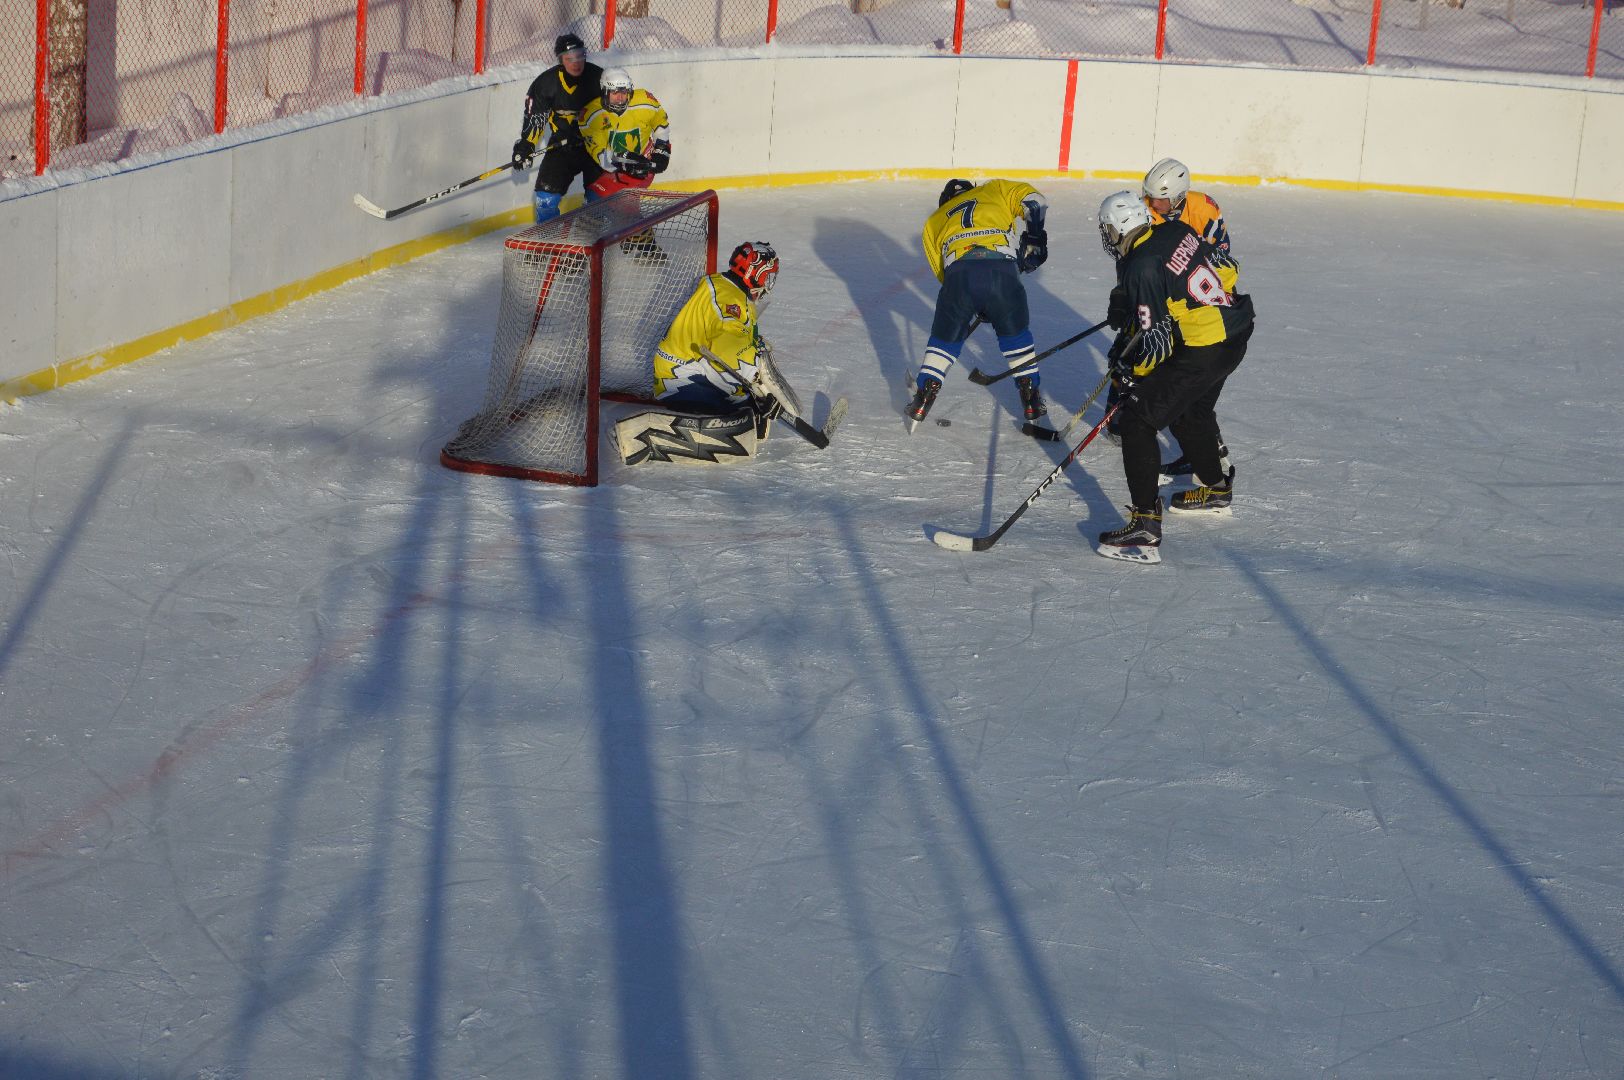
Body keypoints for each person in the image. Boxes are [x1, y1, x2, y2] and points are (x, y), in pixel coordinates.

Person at [1093, 189, 1255, 564]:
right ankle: (1215, 490)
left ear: (1118, 229)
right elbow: (1228, 268)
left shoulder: (1140, 266)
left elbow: (1155, 344)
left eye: (1107, 229)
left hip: (1206, 349)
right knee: (1189, 413)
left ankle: (1144, 527)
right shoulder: (1175, 229)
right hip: (1237, 329)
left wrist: (1131, 373)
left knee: (1137, 422)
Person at [613, 242, 795, 466]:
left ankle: (742, 414)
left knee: (752, 413)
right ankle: (648, 434)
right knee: (742, 415)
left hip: (693, 367)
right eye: (767, 277)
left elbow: (733, 344)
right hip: (681, 377)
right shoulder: (729, 300)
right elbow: (730, 352)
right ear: (753, 273)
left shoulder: (728, 289)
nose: (768, 285)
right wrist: (759, 387)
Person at [906, 178, 1049, 430]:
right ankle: (1031, 399)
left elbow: (943, 275)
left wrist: (973, 299)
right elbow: (1036, 203)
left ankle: (923, 398)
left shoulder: (934, 221)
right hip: (1003, 271)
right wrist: (1035, 239)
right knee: (1016, 338)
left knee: (944, 342)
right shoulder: (994, 189)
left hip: (960, 275)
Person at [1133, 157, 1234, 480]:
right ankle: (1199, 446)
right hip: (1169, 294)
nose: (1151, 203)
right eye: (1148, 196)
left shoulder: (1205, 209)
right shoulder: (1146, 211)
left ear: (1178, 198)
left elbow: (1222, 262)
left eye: (1159, 198)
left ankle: (1206, 447)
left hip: (1201, 303)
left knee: (1189, 384)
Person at [511, 33, 604, 224]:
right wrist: (526, 145)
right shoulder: (546, 83)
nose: (576, 62)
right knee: (545, 199)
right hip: (562, 147)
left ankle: (591, 244)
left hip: (596, 147)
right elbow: (536, 117)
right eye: (569, 58)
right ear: (561, 60)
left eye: (580, 55)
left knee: (598, 201)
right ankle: (549, 243)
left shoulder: (599, 78)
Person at [579, 68, 672, 204]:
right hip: (616, 165)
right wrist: (623, 162)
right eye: (614, 92)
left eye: (623, 91)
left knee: (597, 200)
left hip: (644, 160)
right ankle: (638, 222)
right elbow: (600, 155)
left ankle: (634, 221)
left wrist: (662, 148)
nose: (620, 97)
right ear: (604, 91)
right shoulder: (591, 115)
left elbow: (661, 125)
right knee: (598, 203)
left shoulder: (644, 100)